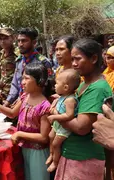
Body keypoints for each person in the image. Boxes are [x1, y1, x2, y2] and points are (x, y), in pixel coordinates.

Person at [53, 39, 112, 180]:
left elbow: (81, 127)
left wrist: (57, 113)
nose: (73, 64)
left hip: (84, 158)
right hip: (74, 155)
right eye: (72, 59)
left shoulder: (97, 89)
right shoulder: (84, 84)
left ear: (93, 58)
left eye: (78, 59)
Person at [0, 62, 51, 180]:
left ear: (40, 81)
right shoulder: (24, 97)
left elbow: (44, 137)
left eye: (26, 78)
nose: (22, 82)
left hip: (37, 152)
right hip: (24, 148)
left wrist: (19, 134)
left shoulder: (45, 106)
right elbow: (12, 114)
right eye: (22, 78)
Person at [5, 28, 53, 106]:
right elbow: (15, 84)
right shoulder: (19, 61)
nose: (20, 44)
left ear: (34, 42)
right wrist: (8, 102)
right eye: (19, 41)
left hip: (35, 106)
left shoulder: (43, 62)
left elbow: (46, 87)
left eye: (24, 41)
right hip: (19, 105)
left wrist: (23, 101)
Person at [45, 69, 81, 172]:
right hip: (59, 124)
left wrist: (54, 116)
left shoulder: (70, 100)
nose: (54, 86)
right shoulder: (63, 96)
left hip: (64, 128)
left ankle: (55, 162)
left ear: (65, 87)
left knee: (56, 144)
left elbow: (69, 115)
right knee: (50, 136)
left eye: (56, 83)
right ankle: (52, 154)